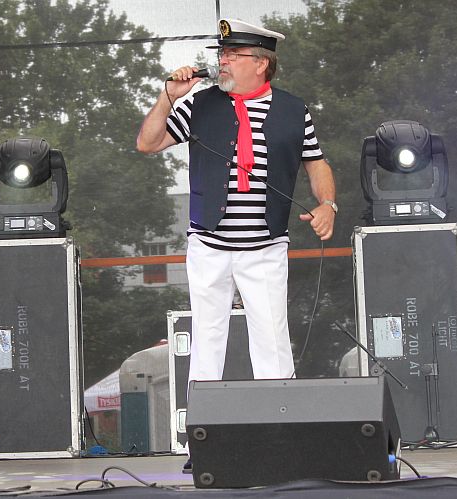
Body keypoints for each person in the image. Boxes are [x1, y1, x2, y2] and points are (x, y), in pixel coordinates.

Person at [136, 19, 336, 470]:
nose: (222, 61)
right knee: (208, 341)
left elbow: (316, 163)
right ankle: (205, 443)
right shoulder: (201, 103)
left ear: (261, 63)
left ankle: (281, 441)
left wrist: (328, 204)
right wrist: (168, 96)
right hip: (209, 243)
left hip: (265, 245)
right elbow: (147, 143)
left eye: (232, 55)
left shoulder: (293, 110)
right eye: (221, 54)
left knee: (272, 341)